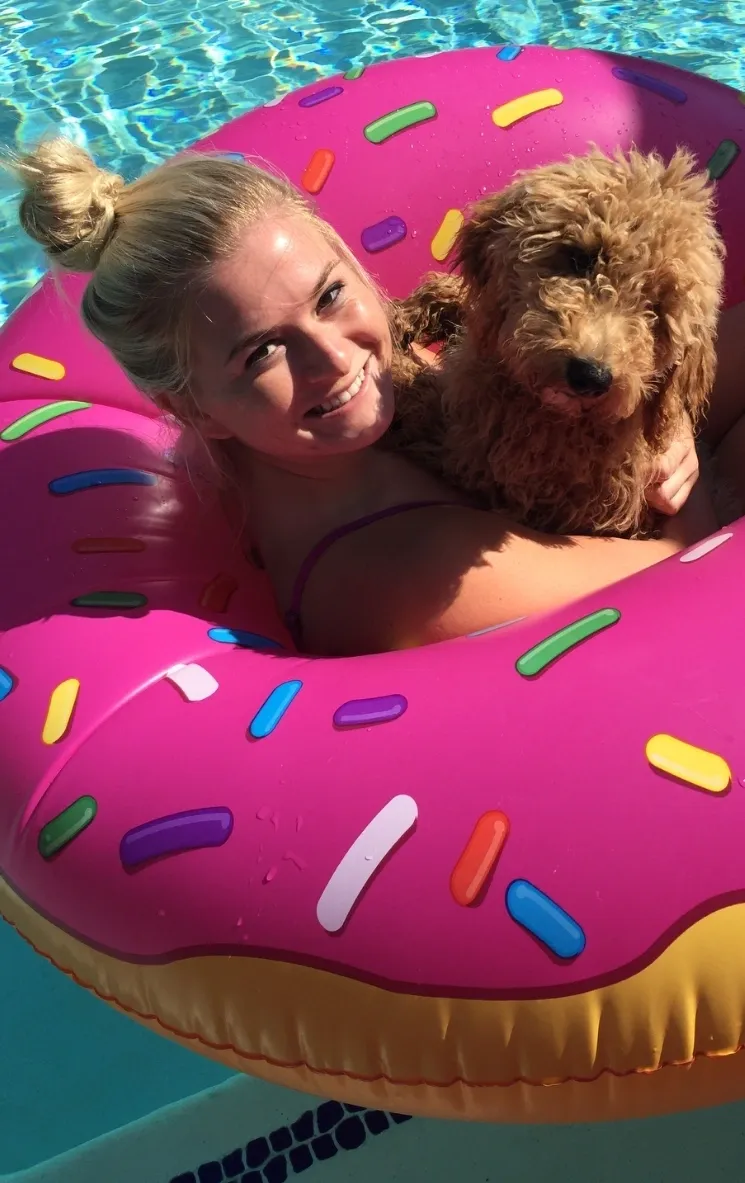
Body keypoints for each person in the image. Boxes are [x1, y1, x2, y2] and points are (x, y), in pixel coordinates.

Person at [8, 140, 727, 656]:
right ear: (189, 408)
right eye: (262, 351)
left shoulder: (323, 421)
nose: (337, 360)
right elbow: (678, 562)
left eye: (329, 295)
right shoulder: (396, 572)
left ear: (353, 262)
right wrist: (671, 425)